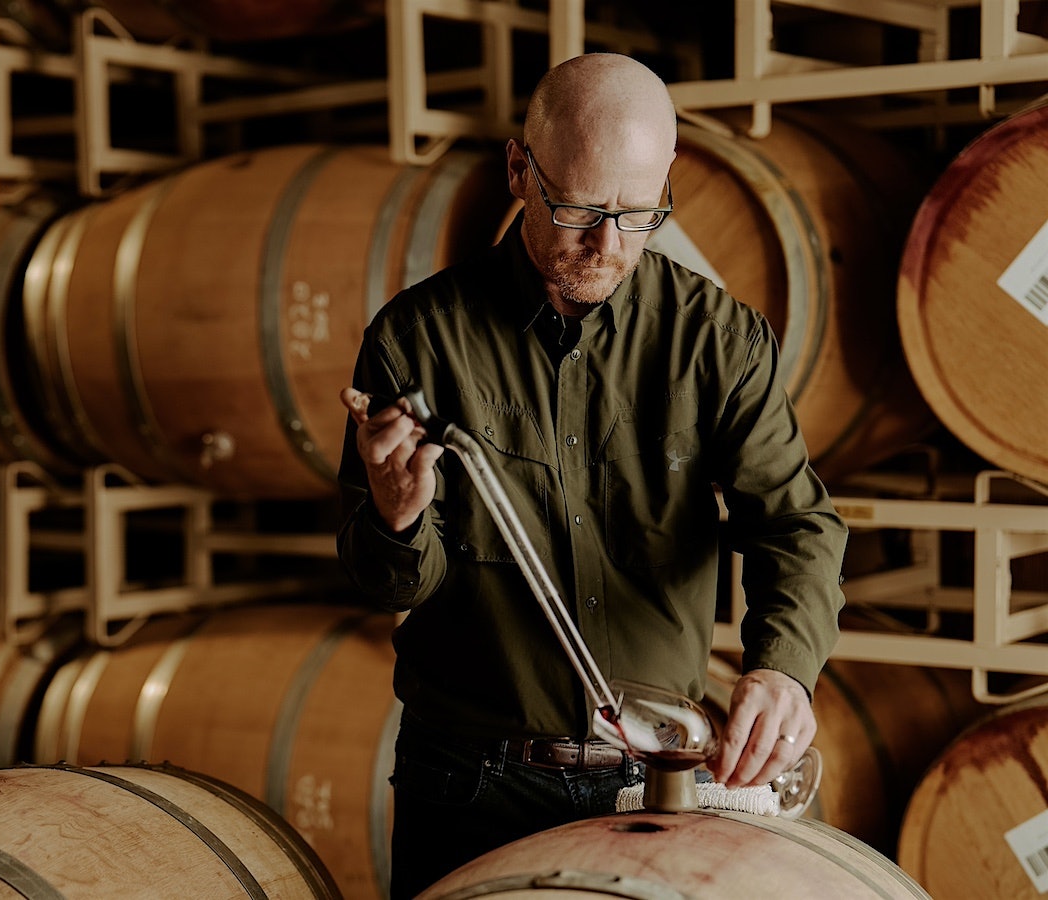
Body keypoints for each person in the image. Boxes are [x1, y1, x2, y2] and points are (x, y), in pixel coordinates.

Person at [335, 53, 847, 899]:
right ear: (517, 170)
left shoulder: (715, 338)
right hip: (470, 780)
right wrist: (397, 516)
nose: (607, 245)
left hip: (654, 779)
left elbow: (796, 524)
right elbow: (388, 581)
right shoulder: (418, 338)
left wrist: (784, 668)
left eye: (638, 212)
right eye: (577, 208)